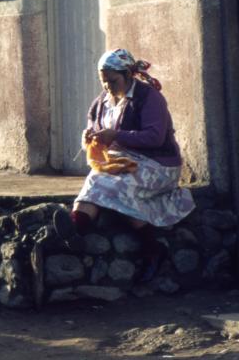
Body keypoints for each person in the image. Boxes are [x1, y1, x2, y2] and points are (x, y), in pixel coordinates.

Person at [54, 48, 195, 283]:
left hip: (158, 164)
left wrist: (115, 135)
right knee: (96, 178)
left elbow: (155, 137)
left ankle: (153, 248)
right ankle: (76, 229)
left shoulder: (149, 98)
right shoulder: (101, 103)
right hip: (122, 161)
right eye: (104, 81)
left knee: (116, 187)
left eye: (112, 80)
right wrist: (90, 137)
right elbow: (95, 128)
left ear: (128, 74)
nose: (107, 86)